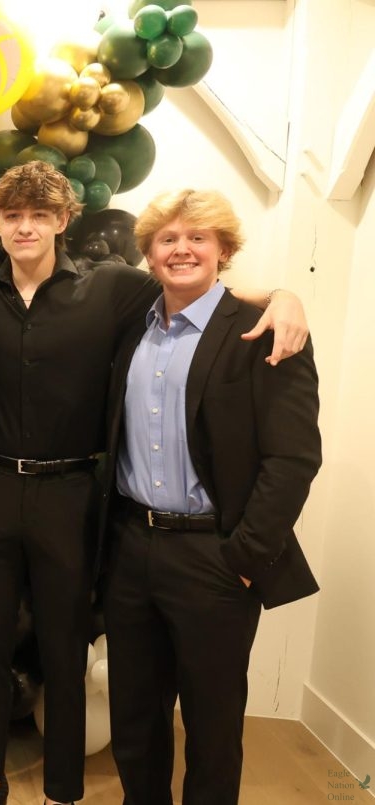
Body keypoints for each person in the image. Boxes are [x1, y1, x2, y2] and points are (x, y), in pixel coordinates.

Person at [0, 161, 309, 805]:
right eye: (13, 216)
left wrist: (285, 297)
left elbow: (195, 289)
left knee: (64, 646)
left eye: (40, 214)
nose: (25, 226)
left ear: (63, 221)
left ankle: (62, 789)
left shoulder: (117, 287)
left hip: (73, 495)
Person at [103, 189, 320, 804]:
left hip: (214, 560)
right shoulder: (133, 331)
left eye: (198, 237)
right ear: (148, 254)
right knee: (135, 721)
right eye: (167, 239)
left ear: (224, 250)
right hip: (130, 548)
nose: (182, 249)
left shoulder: (263, 332)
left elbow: (294, 458)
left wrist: (244, 560)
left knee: (213, 727)